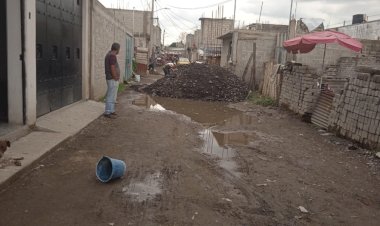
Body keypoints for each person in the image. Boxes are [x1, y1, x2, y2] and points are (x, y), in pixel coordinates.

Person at [104, 42, 120, 118]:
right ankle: (107, 112)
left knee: (113, 95)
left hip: (110, 78)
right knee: (110, 95)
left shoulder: (109, 54)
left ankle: (111, 110)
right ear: (117, 49)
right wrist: (115, 76)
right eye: (119, 49)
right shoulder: (112, 56)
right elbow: (112, 67)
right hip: (112, 78)